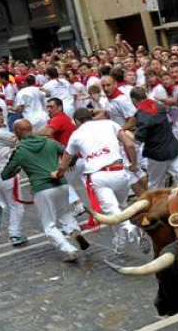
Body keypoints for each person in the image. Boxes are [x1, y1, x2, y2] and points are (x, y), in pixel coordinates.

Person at [56, 109, 140, 256]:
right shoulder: (110, 124)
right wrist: (134, 164)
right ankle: (120, 244)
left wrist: (59, 174)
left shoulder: (76, 134)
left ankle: (128, 227)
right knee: (120, 207)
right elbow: (130, 145)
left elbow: (64, 162)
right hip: (120, 171)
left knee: (112, 211)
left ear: (76, 121)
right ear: (90, 117)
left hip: (99, 177)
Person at [1, 119, 86, 262]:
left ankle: (69, 249)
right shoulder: (49, 142)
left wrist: (19, 166)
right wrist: (64, 167)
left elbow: (6, 174)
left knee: (49, 225)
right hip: (61, 184)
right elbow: (71, 154)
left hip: (42, 188)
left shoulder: (20, 151)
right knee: (64, 213)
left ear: (18, 132)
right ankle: (74, 231)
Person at [130, 86, 178, 190]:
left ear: (134, 100)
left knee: (155, 185)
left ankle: (157, 205)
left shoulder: (142, 114)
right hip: (172, 147)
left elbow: (138, 139)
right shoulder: (158, 105)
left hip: (157, 154)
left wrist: (126, 133)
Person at [0, 109, 27, 246]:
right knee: (17, 205)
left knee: (2, 203)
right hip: (6, 174)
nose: (2, 119)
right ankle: (15, 234)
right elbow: (22, 139)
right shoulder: (1, 133)